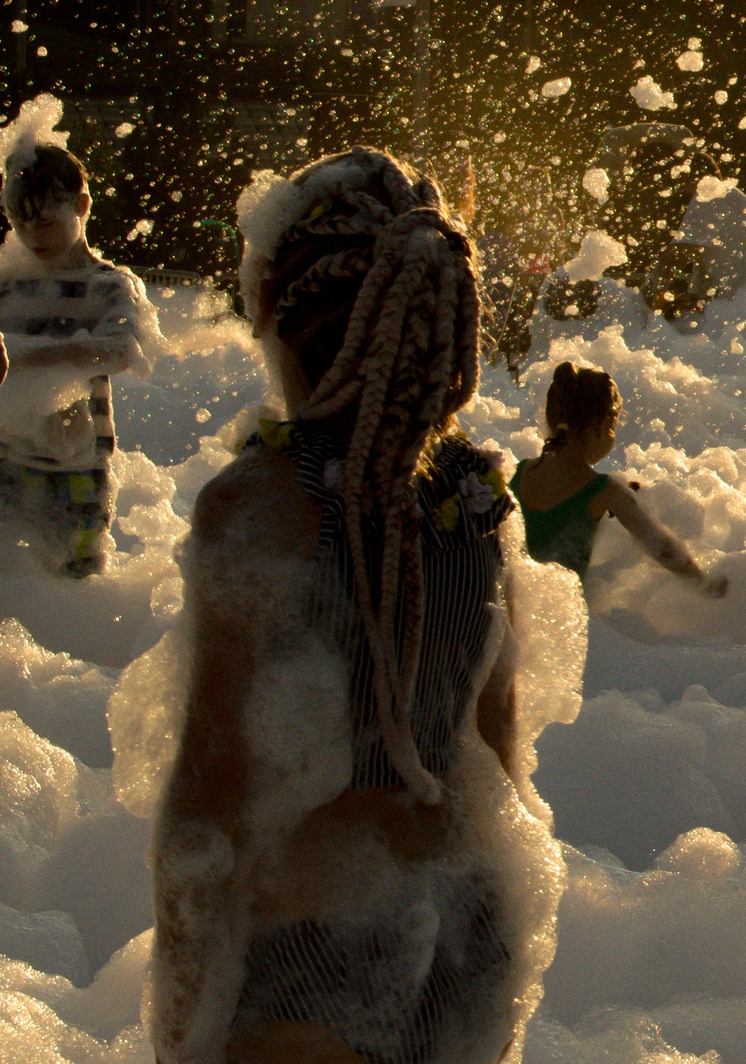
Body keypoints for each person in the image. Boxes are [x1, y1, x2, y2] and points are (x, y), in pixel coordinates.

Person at [151, 150, 548, 1064]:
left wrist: (182, 1017)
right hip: (473, 922)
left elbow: (208, 793)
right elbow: (501, 760)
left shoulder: (258, 509)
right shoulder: (483, 501)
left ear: (281, 320)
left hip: (316, 938)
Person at [0, 108, 159, 578]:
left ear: (82, 206)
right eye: (21, 222)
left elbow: (124, 348)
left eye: (46, 222)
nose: (33, 235)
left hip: (72, 466)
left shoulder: (108, 285)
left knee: (73, 580)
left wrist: (20, 359)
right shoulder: (2, 286)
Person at [513, 362, 728, 595]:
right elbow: (659, 546)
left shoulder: (521, 473)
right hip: (559, 616)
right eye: (615, 427)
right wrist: (703, 582)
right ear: (601, 426)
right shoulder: (603, 489)